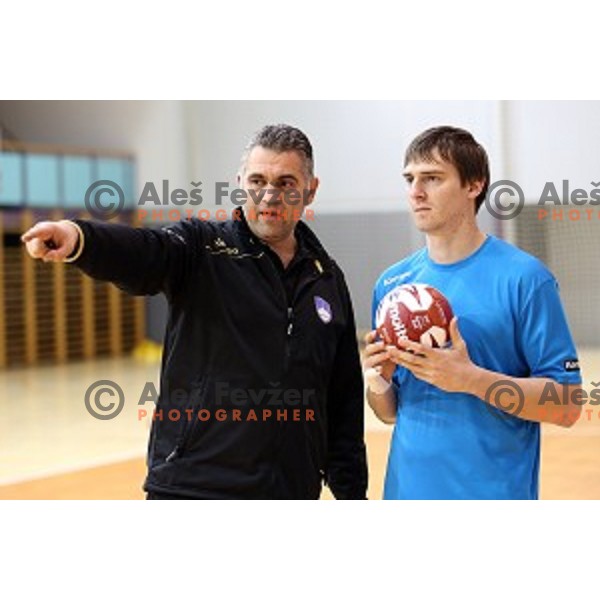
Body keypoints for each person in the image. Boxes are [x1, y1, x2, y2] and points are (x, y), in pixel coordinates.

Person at [22, 124, 368, 500]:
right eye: (257, 180)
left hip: (288, 491)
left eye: (286, 183)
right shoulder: (202, 248)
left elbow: (343, 401)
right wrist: (81, 240)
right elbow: (146, 251)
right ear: (239, 183)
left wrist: (352, 495)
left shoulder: (326, 278)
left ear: (310, 189)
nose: (269, 195)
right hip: (194, 487)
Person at [364, 126, 583, 500]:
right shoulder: (393, 286)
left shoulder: (525, 279)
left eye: (432, 178)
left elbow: (566, 405)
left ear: (474, 185)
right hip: (406, 493)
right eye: (410, 179)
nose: (415, 191)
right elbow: (389, 412)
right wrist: (378, 379)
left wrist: (471, 379)